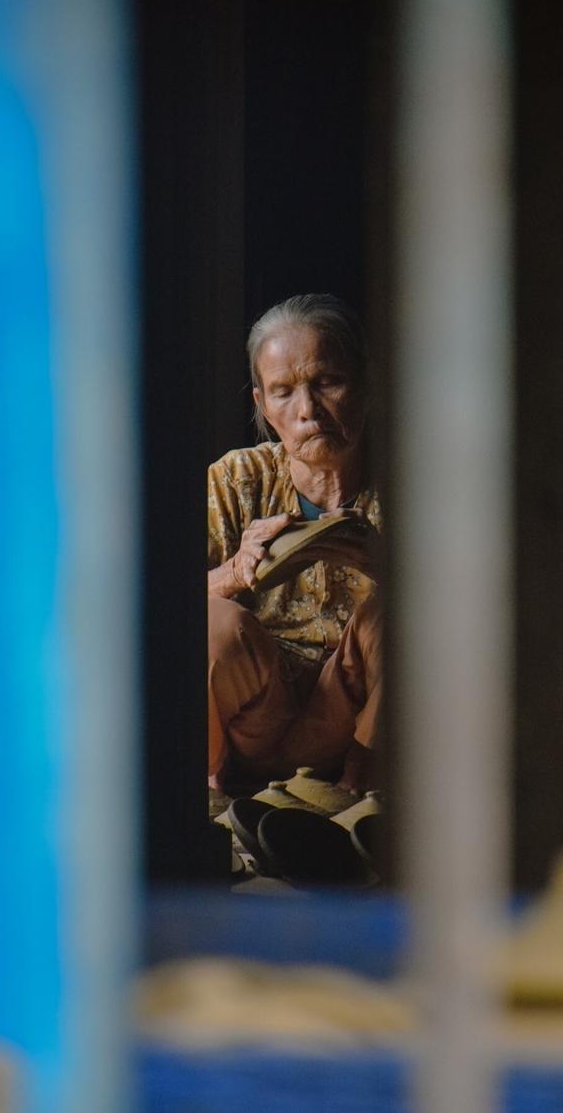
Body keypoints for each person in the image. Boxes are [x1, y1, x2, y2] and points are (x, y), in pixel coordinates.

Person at [208, 294, 383, 795]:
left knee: (405, 614)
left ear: (367, 383)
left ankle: (359, 799)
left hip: (358, 725)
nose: (308, 411)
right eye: (283, 392)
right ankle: (209, 793)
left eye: (328, 382)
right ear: (262, 405)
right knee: (209, 620)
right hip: (255, 719)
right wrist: (234, 573)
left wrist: (390, 570)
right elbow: (153, 611)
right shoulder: (237, 479)